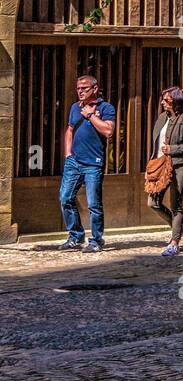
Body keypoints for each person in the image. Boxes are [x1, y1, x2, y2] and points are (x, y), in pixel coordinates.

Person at [59, 75, 117, 253]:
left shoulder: (106, 107)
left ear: (95, 88)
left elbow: (108, 131)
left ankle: (97, 240)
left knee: (93, 204)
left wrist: (91, 115)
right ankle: (75, 236)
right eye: (78, 88)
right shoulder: (75, 108)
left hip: (93, 163)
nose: (80, 91)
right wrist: (68, 154)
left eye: (84, 88)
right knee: (65, 198)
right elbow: (69, 130)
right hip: (73, 162)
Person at [148, 86, 183, 256]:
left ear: (175, 100)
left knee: (176, 202)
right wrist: (153, 163)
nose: (162, 102)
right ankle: (177, 226)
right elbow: (157, 143)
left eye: (166, 99)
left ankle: (174, 242)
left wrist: (174, 149)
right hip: (161, 164)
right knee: (153, 202)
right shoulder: (162, 118)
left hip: (180, 164)